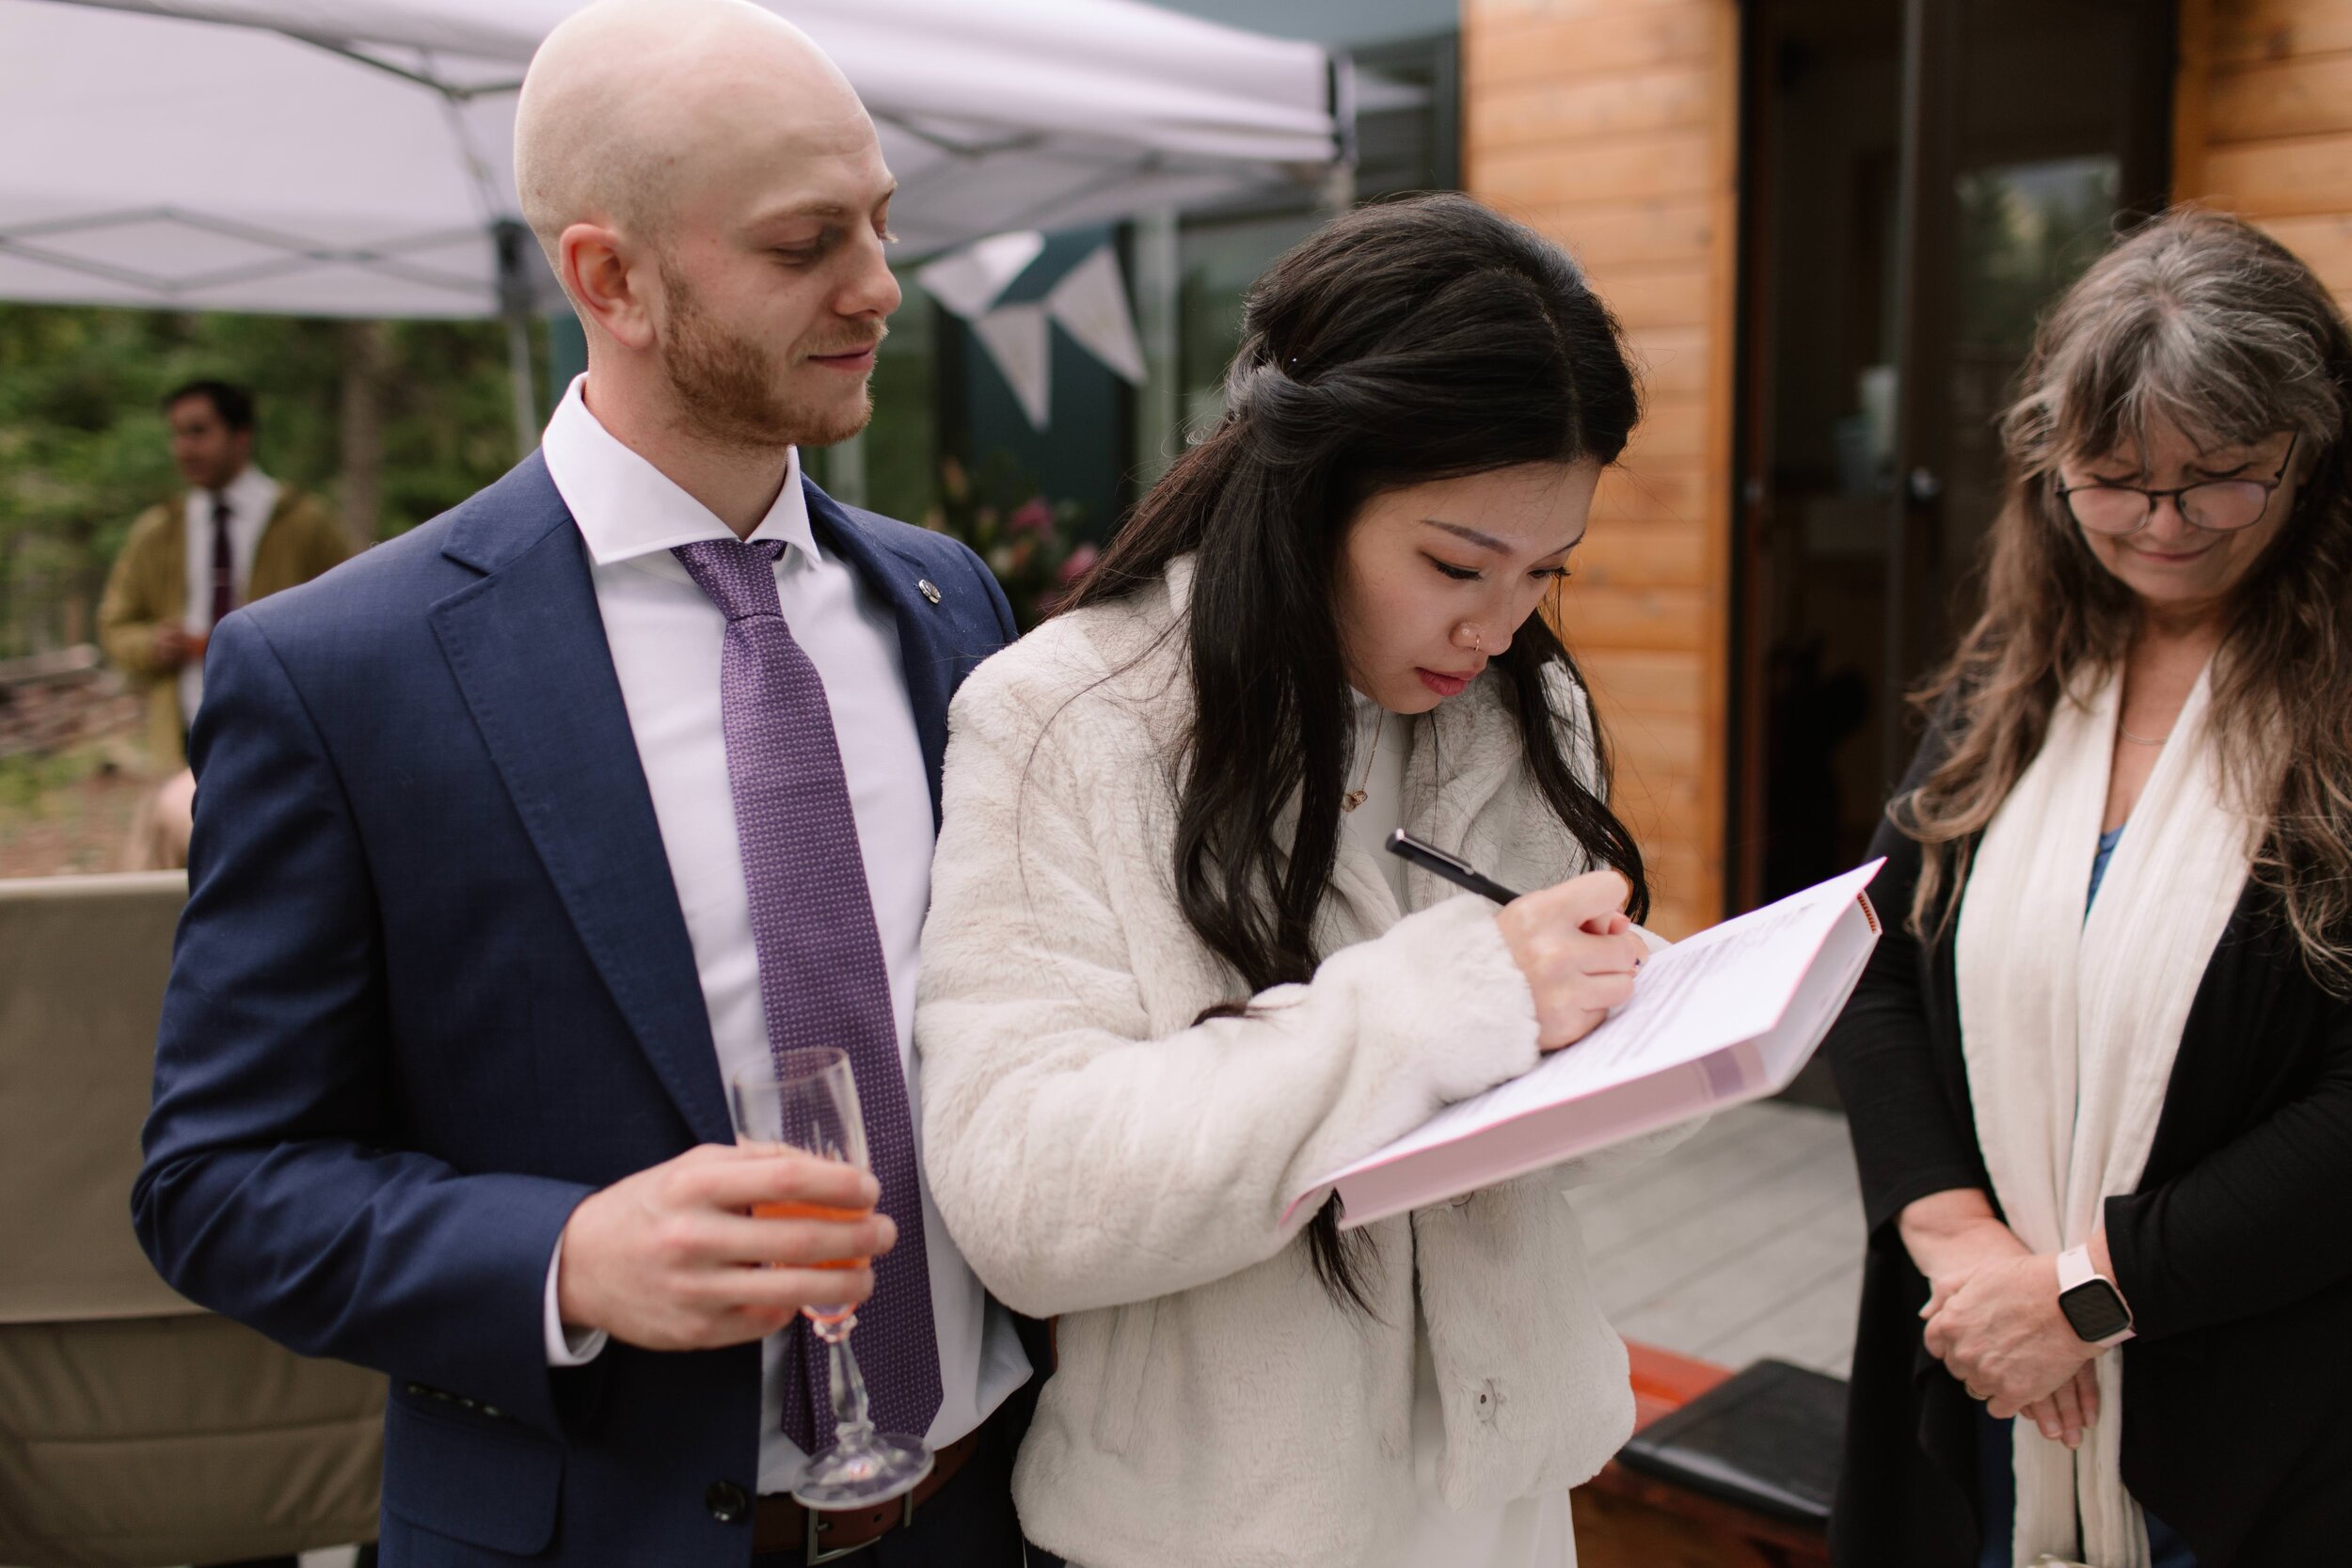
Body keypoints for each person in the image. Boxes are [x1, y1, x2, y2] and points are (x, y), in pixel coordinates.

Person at [132, 3, 1041, 1563]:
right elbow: (216, 1180)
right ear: (608, 279)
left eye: (883, 222)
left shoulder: (946, 599)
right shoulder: (344, 671)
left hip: (988, 1513)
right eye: (807, 241)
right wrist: (559, 1253)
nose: (880, 287)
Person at [914, 194, 1673, 1568]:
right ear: (1305, 484)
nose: (1499, 626)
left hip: (1499, 1497)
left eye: (1544, 575)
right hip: (1219, 1524)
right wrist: (1430, 1013)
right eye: (1454, 562)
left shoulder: (1520, 704)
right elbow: (1022, 1190)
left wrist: (1638, 1020)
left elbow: (1522, 1102)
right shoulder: (1065, 721)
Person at [1826, 208, 2352, 1568]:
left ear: (2316, 449)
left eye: (2220, 477)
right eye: (2113, 479)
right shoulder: (2027, 668)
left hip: (2257, 1433)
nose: (2161, 525)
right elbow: (1873, 956)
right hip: (1998, 1380)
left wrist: (2091, 1290)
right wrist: (1963, 1249)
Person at [97, 379, 350, 772]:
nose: (183, 448)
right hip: (184, 735)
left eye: (198, 431)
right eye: (177, 434)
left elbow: (348, 618)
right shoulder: (159, 531)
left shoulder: (305, 523)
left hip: (281, 732)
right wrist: (152, 644)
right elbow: (115, 623)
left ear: (241, 436)